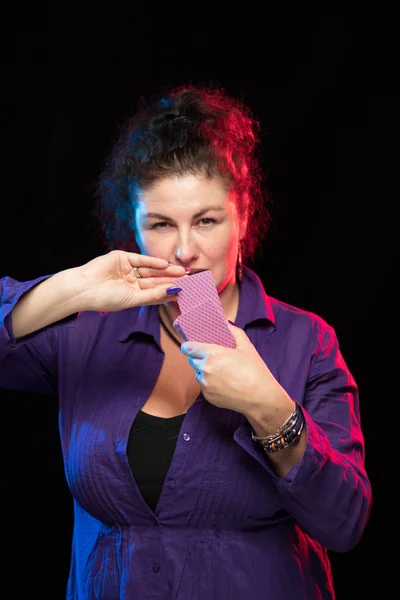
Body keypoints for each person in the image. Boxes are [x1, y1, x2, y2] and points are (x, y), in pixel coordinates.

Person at [0, 83, 372, 599]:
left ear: (243, 216)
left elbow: (345, 522)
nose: (184, 250)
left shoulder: (307, 342)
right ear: (133, 226)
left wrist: (268, 408)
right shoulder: (84, 328)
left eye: (206, 221)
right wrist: (71, 288)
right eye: (159, 224)